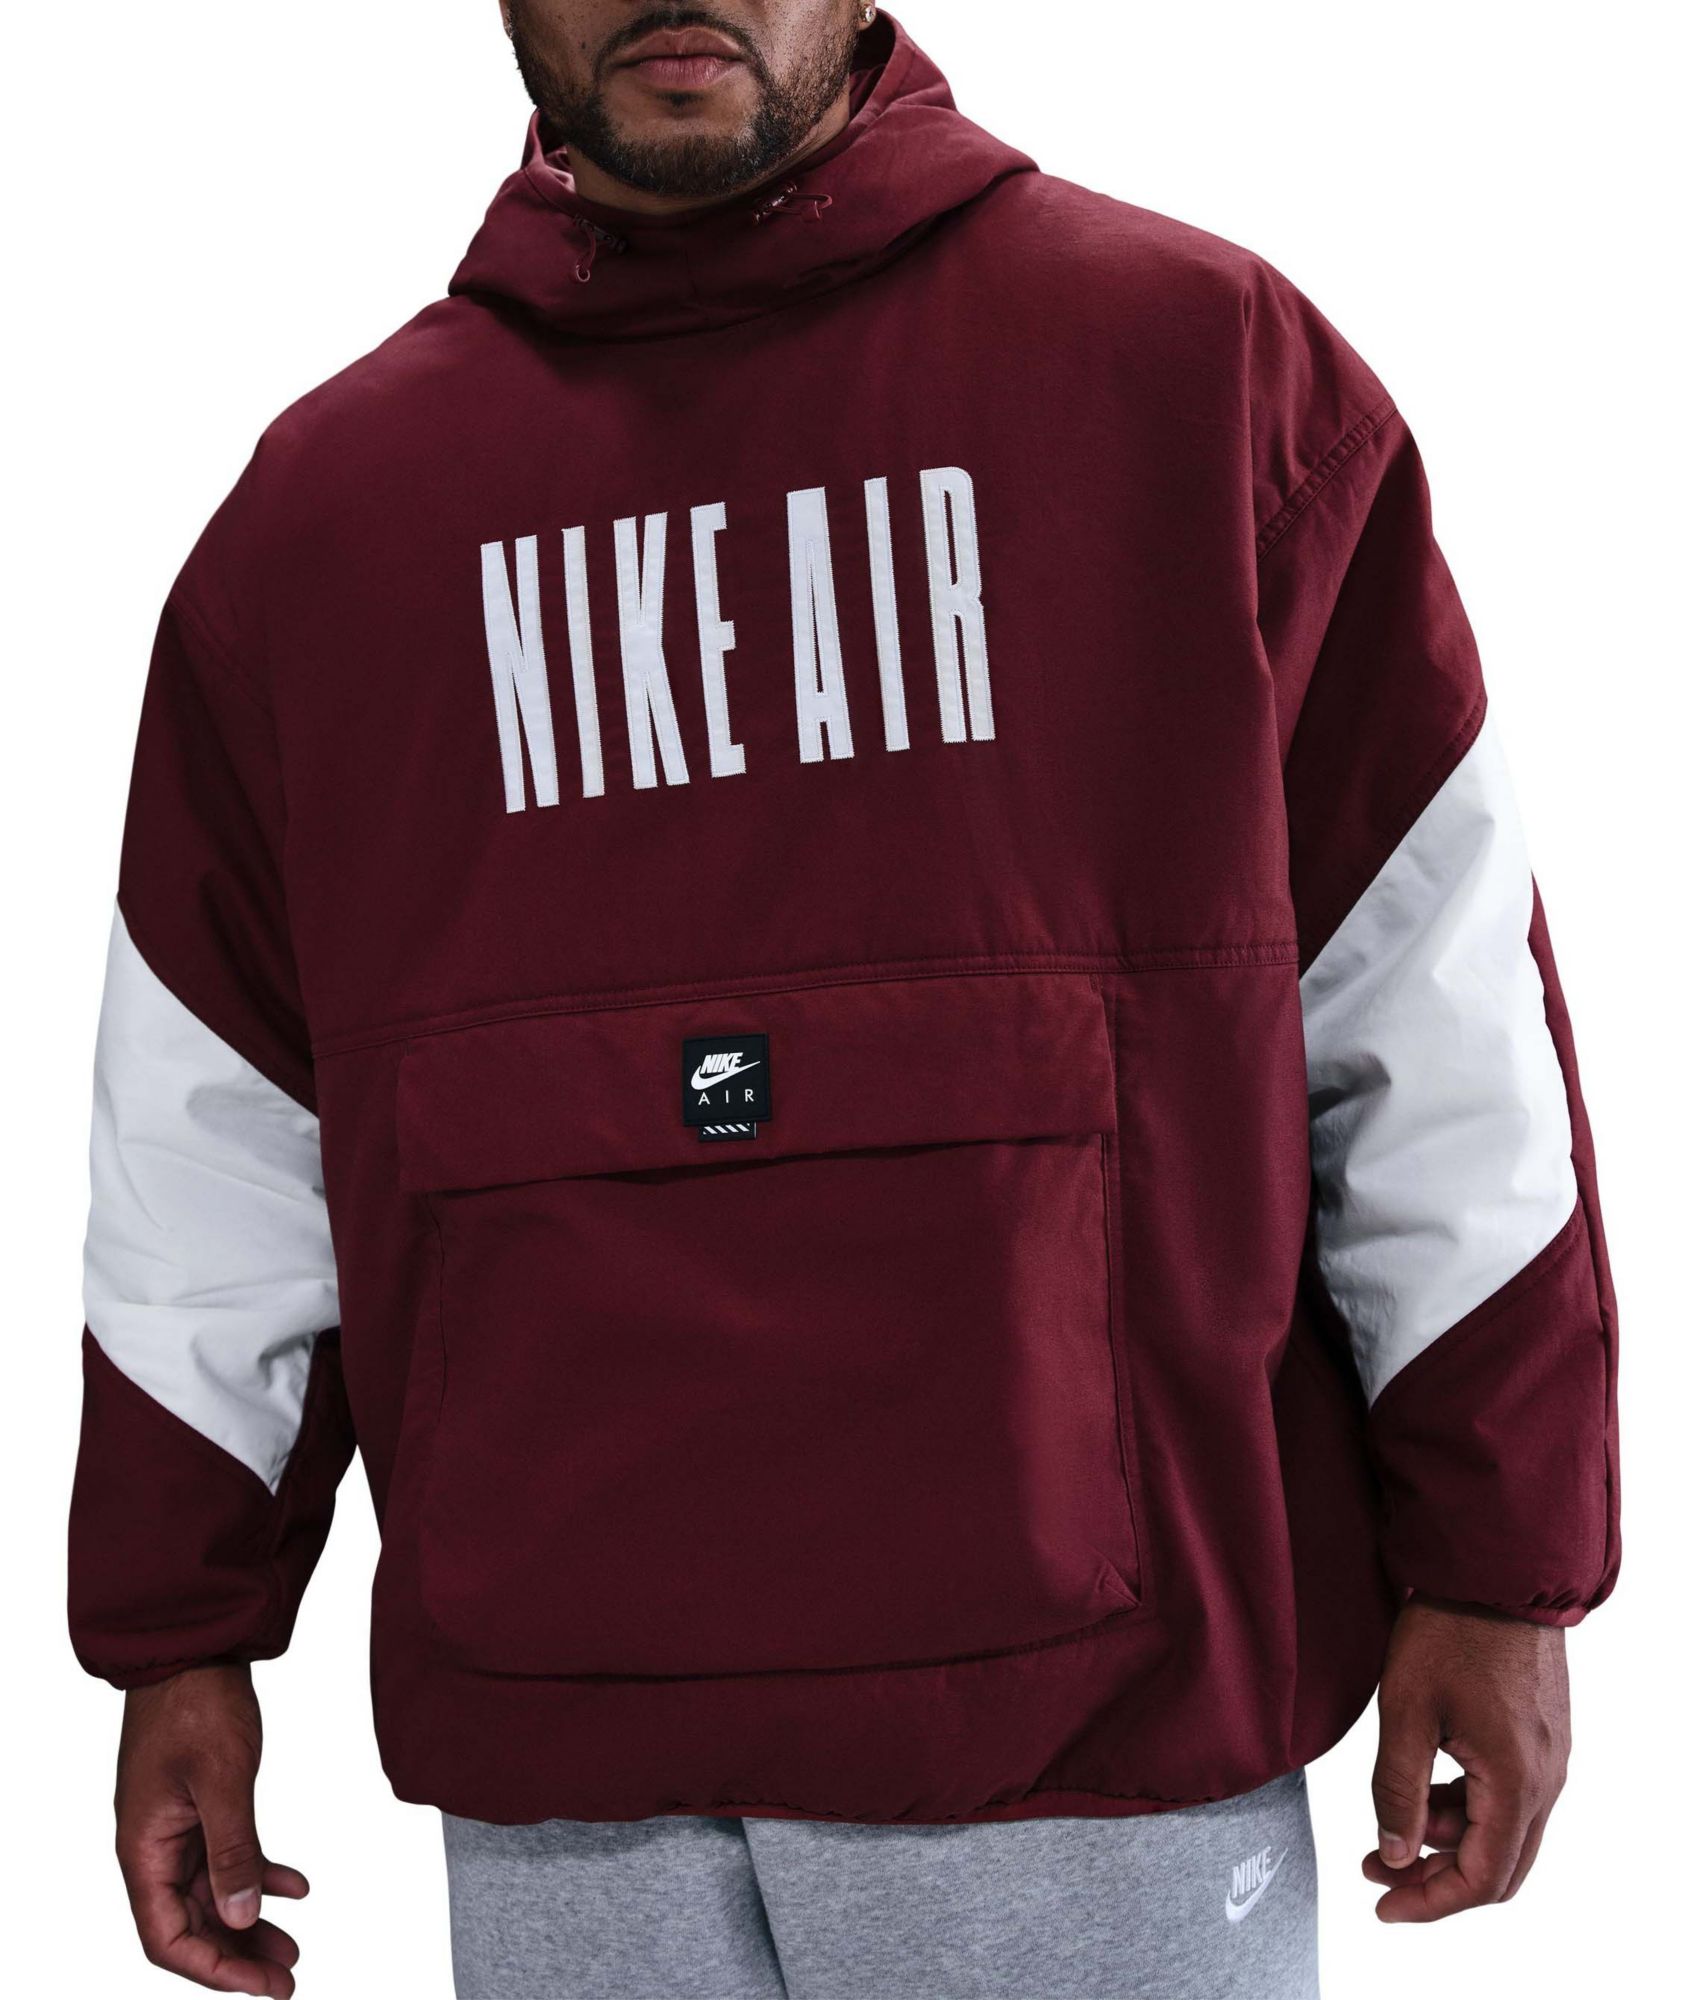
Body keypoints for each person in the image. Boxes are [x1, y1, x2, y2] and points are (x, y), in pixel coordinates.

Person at [70, 6, 1620, 1997]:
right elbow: (213, 1119)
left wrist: (1499, 1571)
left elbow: (1426, 1014)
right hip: (570, 1760)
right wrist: (182, 1631)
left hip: (1089, 1755)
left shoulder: (1197, 375)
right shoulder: (329, 517)